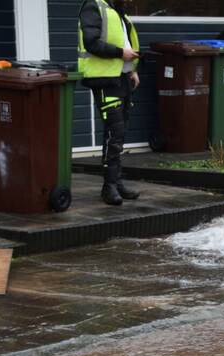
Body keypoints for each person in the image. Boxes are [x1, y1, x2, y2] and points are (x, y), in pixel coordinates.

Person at [78, 0, 141, 206]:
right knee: (114, 133)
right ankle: (109, 187)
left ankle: (116, 182)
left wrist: (131, 70)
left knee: (119, 134)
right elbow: (91, 42)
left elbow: (125, 42)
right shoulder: (94, 6)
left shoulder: (117, 11)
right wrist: (120, 53)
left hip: (121, 78)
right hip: (104, 80)